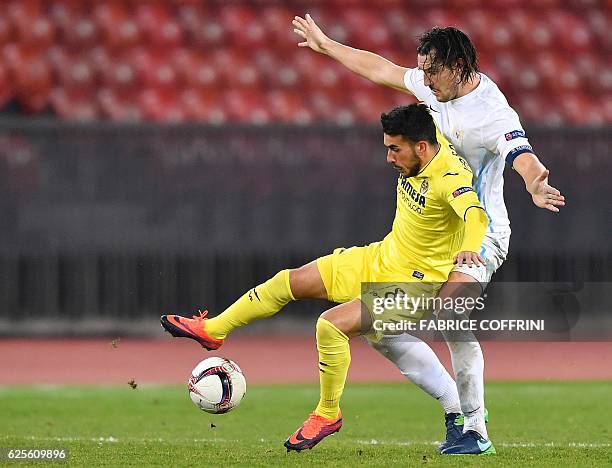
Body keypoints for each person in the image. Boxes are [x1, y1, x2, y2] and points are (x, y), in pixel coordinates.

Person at [291, 15, 566, 454]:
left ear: (458, 65)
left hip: (480, 238)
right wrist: (328, 45)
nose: (424, 77)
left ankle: (476, 432)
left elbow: (521, 153)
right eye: (422, 68)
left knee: (451, 319)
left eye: (432, 69)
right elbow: (381, 68)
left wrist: (534, 183)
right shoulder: (432, 84)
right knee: (382, 330)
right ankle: (457, 410)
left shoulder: (492, 112)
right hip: (434, 240)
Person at [161, 104, 492, 453]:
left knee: (330, 325)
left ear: (421, 148)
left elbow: (475, 215)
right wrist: (331, 49)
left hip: (415, 285)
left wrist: (469, 249)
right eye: (387, 147)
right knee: (290, 281)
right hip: (382, 257)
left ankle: (327, 412)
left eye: (395, 149)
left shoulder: (449, 178)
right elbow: (403, 82)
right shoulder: (428, 136)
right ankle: (214, 330)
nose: (389, 157)